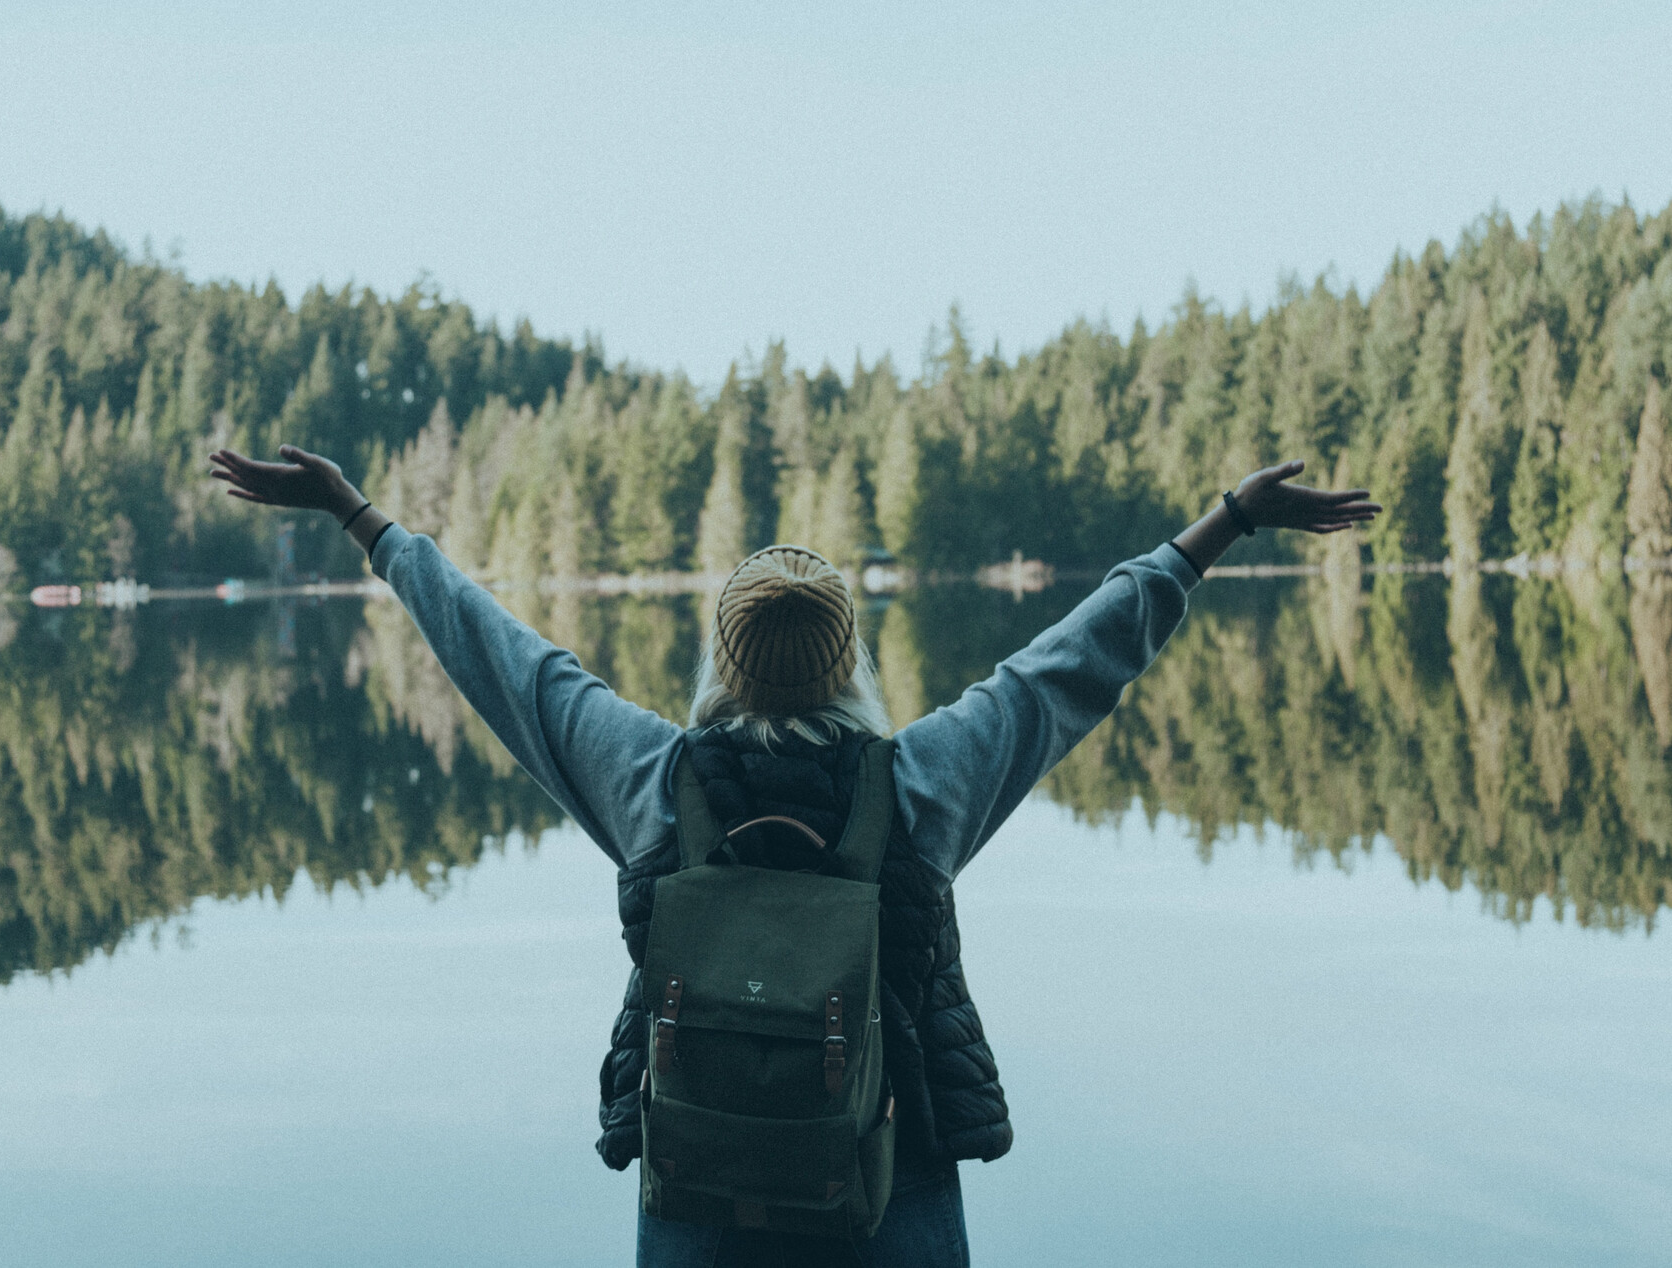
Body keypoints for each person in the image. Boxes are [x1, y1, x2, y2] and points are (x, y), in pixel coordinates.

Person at [210, 444, 1378, 1266]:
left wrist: (359, 516)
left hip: (703, 1172)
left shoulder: (653, 784)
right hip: (893, 1170)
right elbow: (1076, 659)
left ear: (722, 661)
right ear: (848, 662)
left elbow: (500, 656)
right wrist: (1226, 518)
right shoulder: (921, 783)